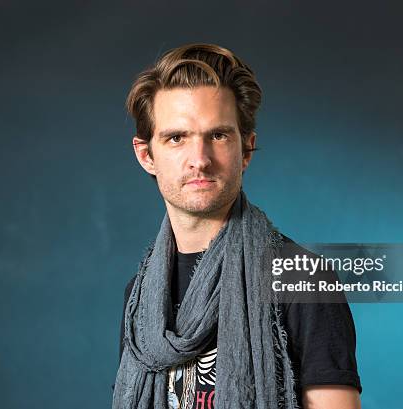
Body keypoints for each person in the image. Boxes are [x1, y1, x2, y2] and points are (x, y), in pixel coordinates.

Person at [113, 43, 361, 409]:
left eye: (218, 135)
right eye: (176, 138)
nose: (199, 160)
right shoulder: (140, 300)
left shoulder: (303, 278)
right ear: (147, 155)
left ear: (246, 149)